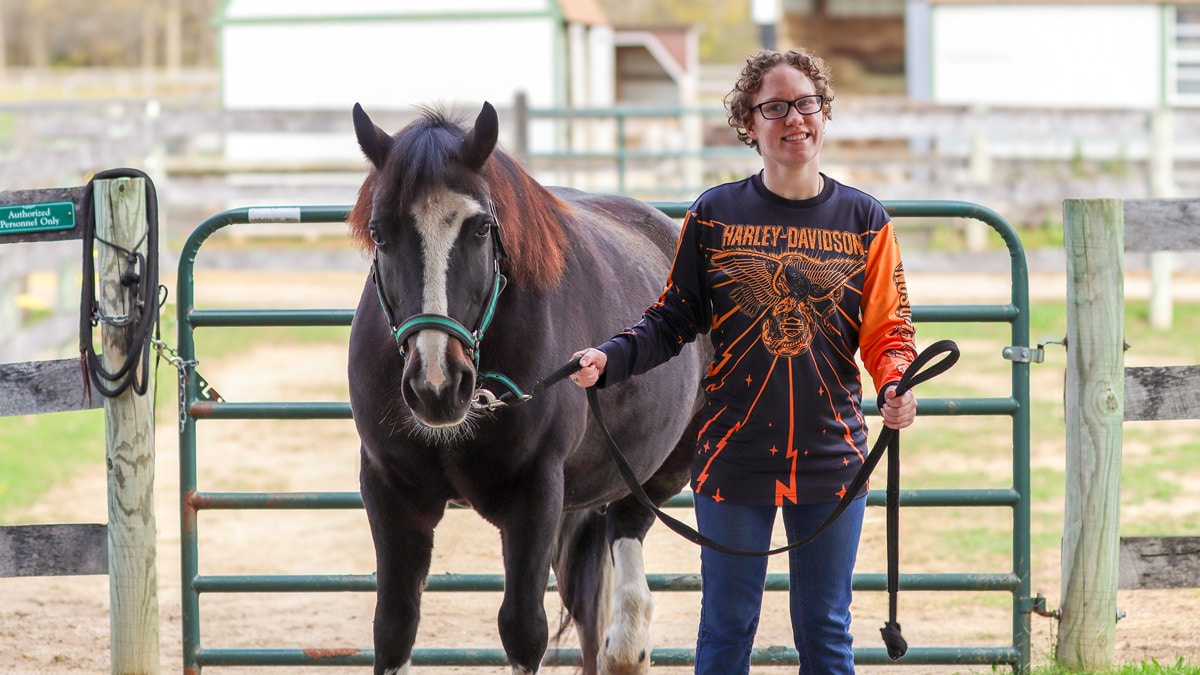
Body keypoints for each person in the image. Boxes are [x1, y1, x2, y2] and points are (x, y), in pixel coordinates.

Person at [570, 47, 919, 674]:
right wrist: (611, 358)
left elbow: (887, 329)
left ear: (824, 112)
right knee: (727, 628)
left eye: (806, 104)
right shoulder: (713, 215)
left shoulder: (865, 219)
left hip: (830, 454)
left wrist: (896, 381)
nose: (795, 119)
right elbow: (672, 320)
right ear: (749, 124)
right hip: (734, 453)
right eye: (775, 108)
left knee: (826, 630)